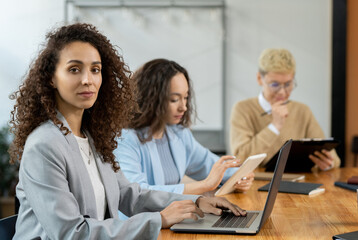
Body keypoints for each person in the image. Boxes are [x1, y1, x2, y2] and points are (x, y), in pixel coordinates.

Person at [9, 23, 246, 240]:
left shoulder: (92, 136)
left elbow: (130, 194)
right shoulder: (44, 145)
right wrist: (159, 219)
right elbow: (71, 233)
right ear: (51, 78)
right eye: (74, 69)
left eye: (95, 69)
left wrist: (197, 202)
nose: (87, 80)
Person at [115, 58, 254, 195]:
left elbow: (211, 165)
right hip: (141, 217)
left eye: (185, 97)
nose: (184, 107)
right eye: (174, 99)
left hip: (172, 215)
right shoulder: (125, 140)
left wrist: (240, 176)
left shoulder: (178, 134)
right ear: (151, 99)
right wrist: (205, 185)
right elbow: (138, 193)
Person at [230, 48, 341, 171]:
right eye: (275, 84)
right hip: (256, 185)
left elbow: (335, 160)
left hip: (299, 183)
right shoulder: (243, 109)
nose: (282, 92)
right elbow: (240, 158)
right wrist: (274, 126)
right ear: (259, 79)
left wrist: (327, 164)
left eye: (288, 84)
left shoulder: (302, 111)